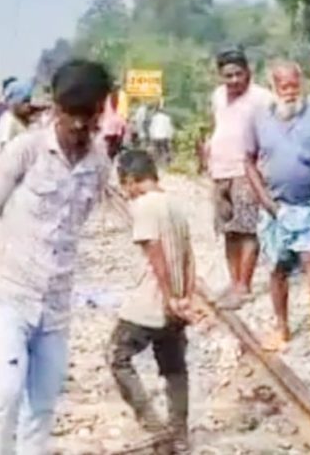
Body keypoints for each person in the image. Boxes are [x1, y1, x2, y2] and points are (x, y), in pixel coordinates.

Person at [0, 59, 111, 455]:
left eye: (89, 116)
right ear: (55, 107)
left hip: (56, 302)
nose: (80, 125)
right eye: (72, 115)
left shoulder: (98, 164)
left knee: (43, 404)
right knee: (6, 390)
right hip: (12, 292)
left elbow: (81, 219)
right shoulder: (26, 151)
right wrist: (6, 252)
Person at [245, 61, 310, 353]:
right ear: (273, 87)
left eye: (294, 85)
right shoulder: (259, 117)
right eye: (283, 86)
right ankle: (281, 328)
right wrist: (265, 200)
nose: (289, 92)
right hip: (276, 208)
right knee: (278, 269)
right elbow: (248, 162)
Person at [108, 150, 197, 452]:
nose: (125, 193)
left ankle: (156, 428)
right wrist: (185, 297)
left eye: (124, 185)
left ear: (132, 180)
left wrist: (169, 297)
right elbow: (189, 257)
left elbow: (155, 253)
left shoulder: (145, 206)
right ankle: (179, 434)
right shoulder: (175, 204)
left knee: (117, 357)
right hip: (176, 301)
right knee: (173, 366)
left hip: (149, 302)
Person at [207, 46, 273, 307]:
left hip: (247, 171)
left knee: (247, 229)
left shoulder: (262, 98)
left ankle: (244, 285)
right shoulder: (218, 96)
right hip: (219, 170)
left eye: (238, 74)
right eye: (228, 76)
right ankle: (234, 282)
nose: (234, 80)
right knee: (228, 230)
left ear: (248, 72)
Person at [0, 80, 35, 180]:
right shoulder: (9, 121)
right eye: (24, 101)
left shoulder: (21, 120)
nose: (28, 104)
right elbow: (4, 151)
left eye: (29, 100)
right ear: (15, 102)